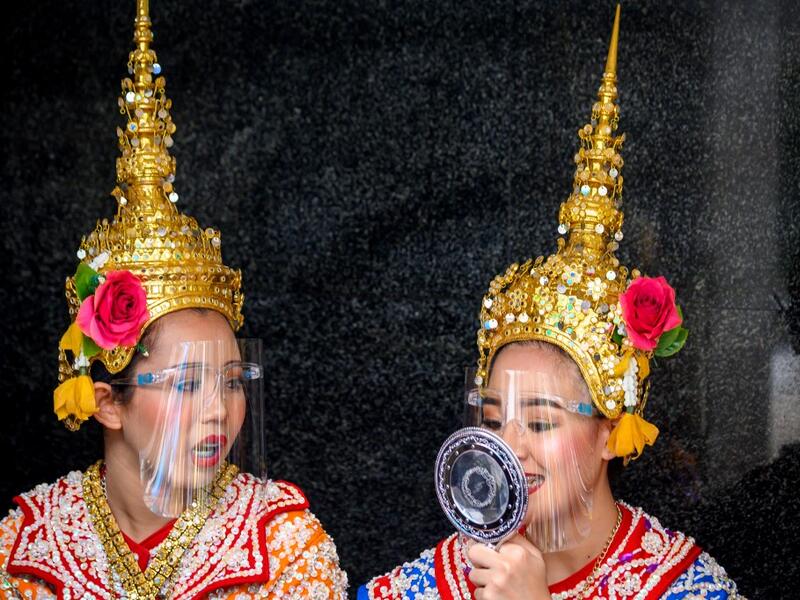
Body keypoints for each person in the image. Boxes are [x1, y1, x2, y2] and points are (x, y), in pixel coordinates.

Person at [359, 6, 741, 600]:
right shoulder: (422, 586)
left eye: (540, 421)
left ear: (610, 431)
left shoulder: (684, 588)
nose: (508, 449)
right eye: (492, 421)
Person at [0, 2, 347, 598]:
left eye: (232, 381)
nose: (220, 411)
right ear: (108, 403)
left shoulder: (286, 545)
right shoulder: (24, 546)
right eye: (188, 384)